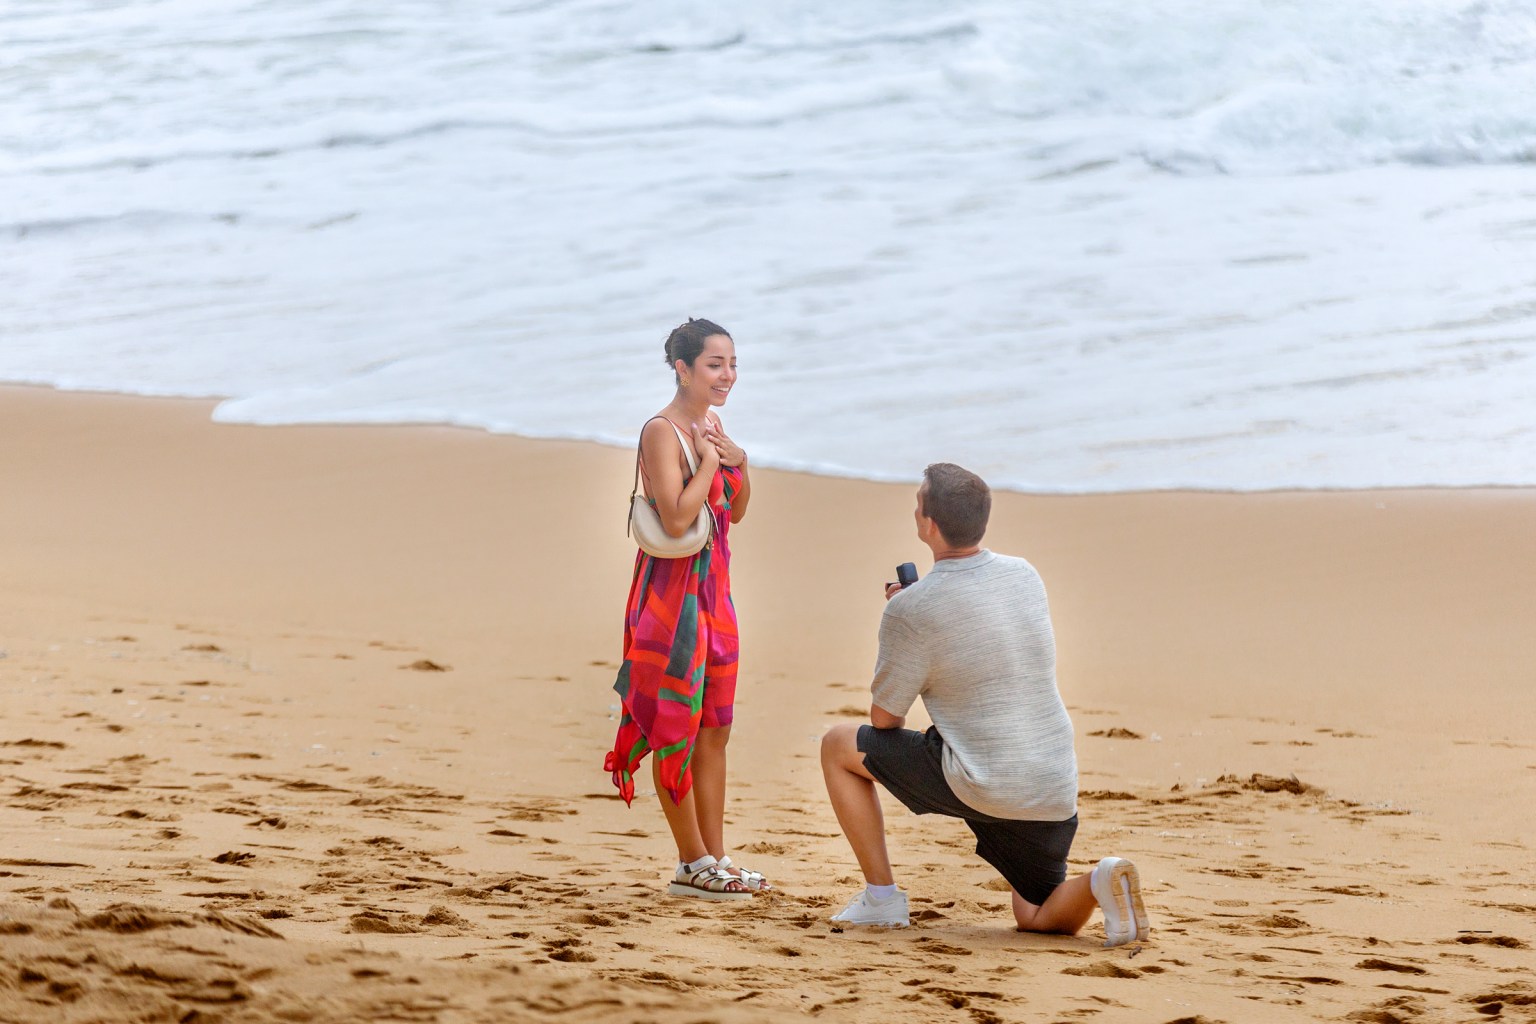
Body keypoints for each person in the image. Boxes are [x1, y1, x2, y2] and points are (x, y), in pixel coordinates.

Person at [819, 463, 1149, 944]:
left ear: (929, 525)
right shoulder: (1025, 574)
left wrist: (905, 614)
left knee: (837, 745)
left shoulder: (910, 610)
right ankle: (1100, 880)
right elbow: (978, 626)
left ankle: (881, 898)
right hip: (1051, 784)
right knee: (1034, 916)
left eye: (918, 504)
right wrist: (919, 609)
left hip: (985, 780)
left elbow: (884, 719)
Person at [604, 318, 767, 900]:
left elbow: (735, 511)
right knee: (677, 726)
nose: (727, 375)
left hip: (715, 593)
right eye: (714, 364)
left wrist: (738, 459)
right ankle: (690, 861)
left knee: (715, 729)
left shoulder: (712, 427)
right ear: (682, 368)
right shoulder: (661, 431)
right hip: (673, 598)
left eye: (732, 364)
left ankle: (714, 860)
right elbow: (676, 518)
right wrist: (709, 464)